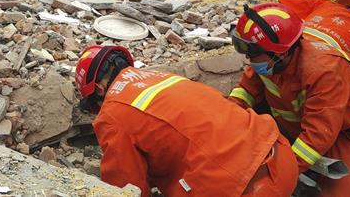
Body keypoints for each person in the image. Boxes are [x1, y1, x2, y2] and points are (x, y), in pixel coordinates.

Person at [229, 2, 350, 197]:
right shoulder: (272, 59)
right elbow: (246, 91)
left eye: (252, 52)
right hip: (318, 124)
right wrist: (225, 117)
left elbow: (317, 135)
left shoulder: (323, 70)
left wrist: (278, 177)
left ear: (280, 53)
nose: (248, 58)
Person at [76, 44, 299, 197]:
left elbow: (125, 187)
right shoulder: (162, 78)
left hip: (243, 188)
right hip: (281, 159)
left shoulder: (112, 113)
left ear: (98, 89)